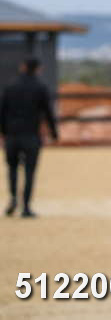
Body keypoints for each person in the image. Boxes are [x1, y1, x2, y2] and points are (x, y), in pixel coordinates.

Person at [1, 57, 58, 217]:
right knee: (29, 170)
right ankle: (26, 206)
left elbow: (2, 112)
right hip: (31, 135)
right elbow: (48, 112)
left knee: (12, 168)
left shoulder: (10, 86)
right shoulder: (40, 87)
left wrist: (3, 133)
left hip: (12, 135)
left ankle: (13, 199)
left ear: (23, 67)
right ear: (38, 69)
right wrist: (54, 133)